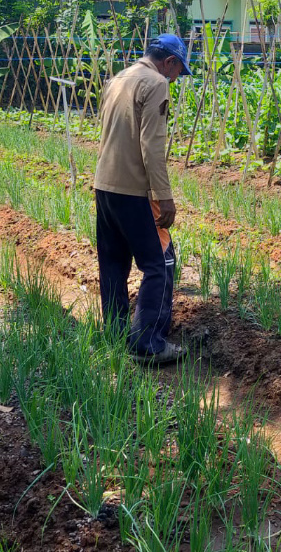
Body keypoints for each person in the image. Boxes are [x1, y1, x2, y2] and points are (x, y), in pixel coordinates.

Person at [94, 34, 190, 364]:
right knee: (159, 264)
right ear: (169, 62)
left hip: (104, 185)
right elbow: (152, 147)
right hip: (132, 190)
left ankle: (115, 334)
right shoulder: (156, 83)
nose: (175, 78)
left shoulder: (118, 79)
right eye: (178, 70)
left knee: (113, 263)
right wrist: (165, 197)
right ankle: (148, 344)